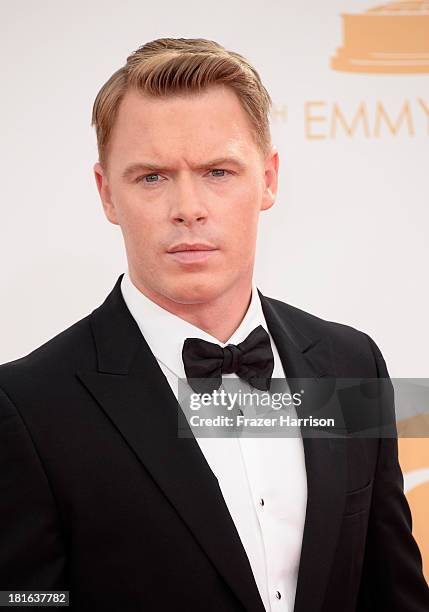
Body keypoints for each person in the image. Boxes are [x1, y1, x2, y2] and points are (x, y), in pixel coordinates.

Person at [0, 37, 428, 612]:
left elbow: (393, 593)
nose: (189, 206)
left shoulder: (351, 362)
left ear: (269, 179)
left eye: (218, 171)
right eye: (152, 177)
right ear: (107, 193)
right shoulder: (27, 407)